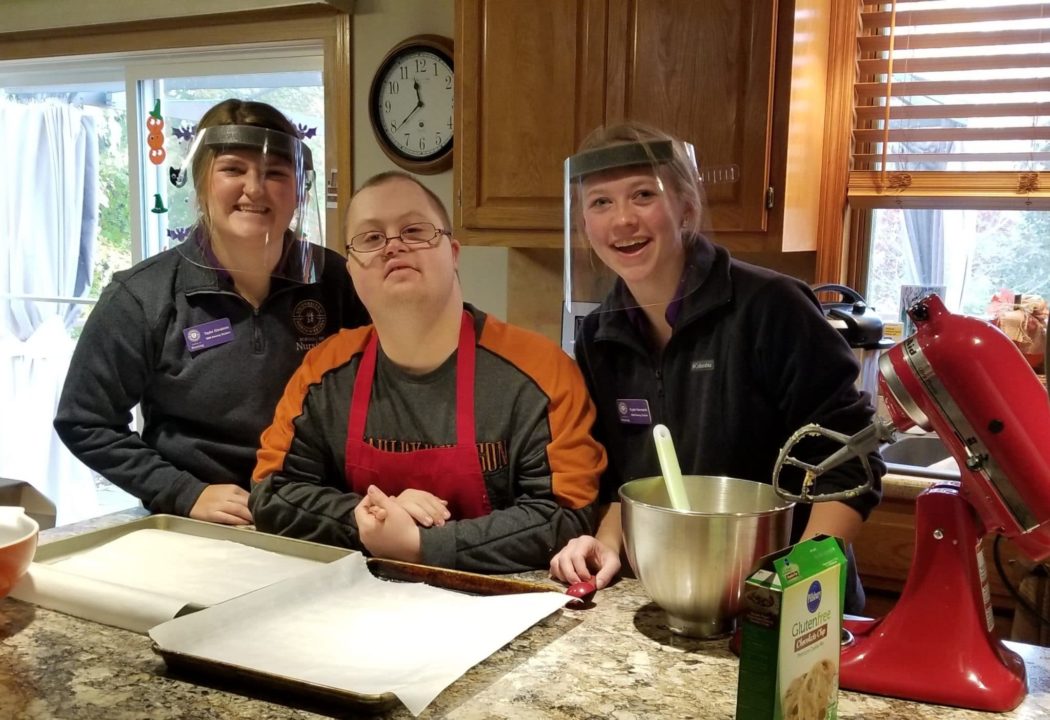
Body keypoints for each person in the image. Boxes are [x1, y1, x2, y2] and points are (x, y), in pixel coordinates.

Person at [548, 122, 883, 614]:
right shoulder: (599, 336)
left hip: (794, 595)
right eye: (600, 202)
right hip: (670, 592)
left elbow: (850, 464)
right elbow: (626, 479)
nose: (621, 220)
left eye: (643, 195)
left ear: (686, 206)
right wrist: (604, 543)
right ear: (582, 224)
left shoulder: (771, 307)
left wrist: (797, 585)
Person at [250, 171, 606, 572]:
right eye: (371, 238)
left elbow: (564, 514)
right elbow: (272, 494)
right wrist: (369, 518)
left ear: (453, 252)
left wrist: (422, 543)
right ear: (350, 271)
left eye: (414, 230)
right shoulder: (322, 373)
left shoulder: (542, 373)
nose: (393, 246)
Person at [54, 99, 369, 526]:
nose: (255, 189)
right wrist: (181, 491)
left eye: (275, 173)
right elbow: (85, 420)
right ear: (201, 183)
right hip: (195, 522)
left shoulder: (338, 281)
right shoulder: (143, 295)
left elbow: (386, 389)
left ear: (299, 191)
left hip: (320, 514)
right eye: (233, 170)